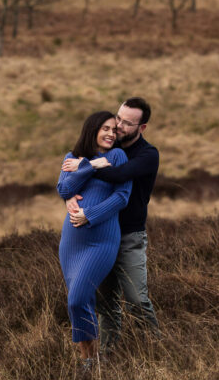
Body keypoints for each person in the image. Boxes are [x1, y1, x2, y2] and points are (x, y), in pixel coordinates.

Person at [61, 97, 160, 354]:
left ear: (142, 127)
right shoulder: (104, 148)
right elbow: (67, 183)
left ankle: (155, 349)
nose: (118, 127)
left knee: (137, 300)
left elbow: (119, 177)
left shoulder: (146, 155)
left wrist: (85, 165)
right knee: (105, 304)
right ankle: (107, 355)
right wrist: (67, 195)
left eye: (127, 123)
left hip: (128, 236)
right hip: (94, 236)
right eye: (118, 119)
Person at [57, 111, 132, 369]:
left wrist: (90, 214)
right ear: (92, 129)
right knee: (80, 302)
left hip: (100, 241)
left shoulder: (117, 157)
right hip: (71, 243)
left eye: (114, 130)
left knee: (77, 299)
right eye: (106, 129)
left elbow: (122, 196)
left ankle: (91, 361)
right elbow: (64, 190)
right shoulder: (71, 157)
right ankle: (89, 363)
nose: (111, 134)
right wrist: (88, 165)